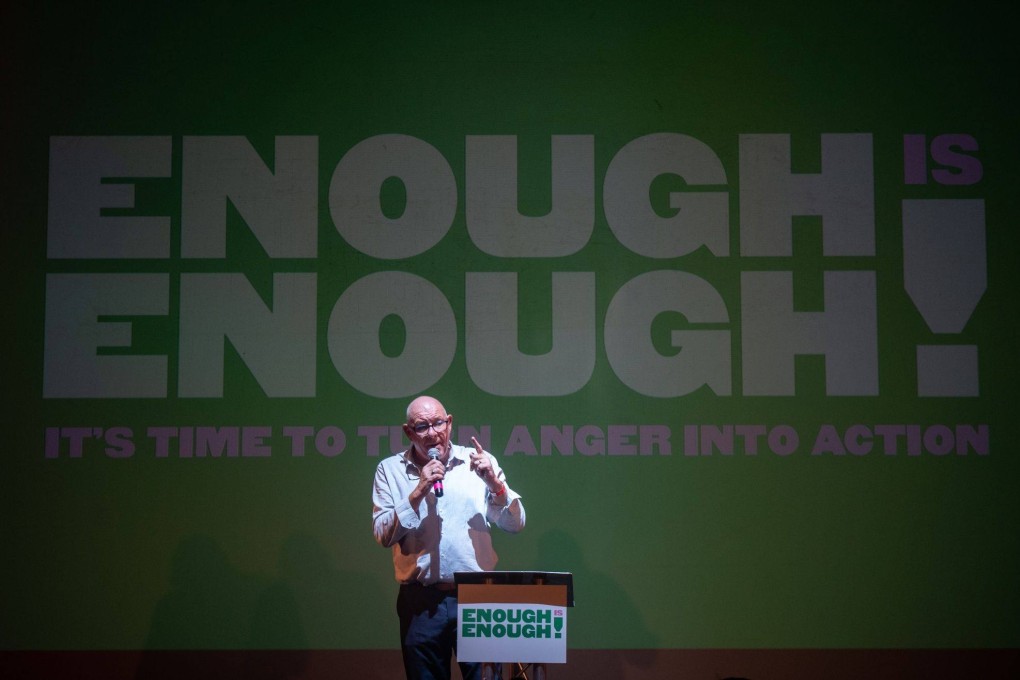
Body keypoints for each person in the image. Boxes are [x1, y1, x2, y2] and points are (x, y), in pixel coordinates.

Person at [372, 395, 526, 680]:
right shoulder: (390, 470)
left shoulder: (478, 462)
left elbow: (515, 523)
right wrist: (418, 492)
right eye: (422, 427)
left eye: (438, 423)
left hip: (477, 598)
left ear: (450, 423)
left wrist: (494, 483)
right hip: (421, 603)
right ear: (408, 432)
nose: (432, 433)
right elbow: (382, 534)